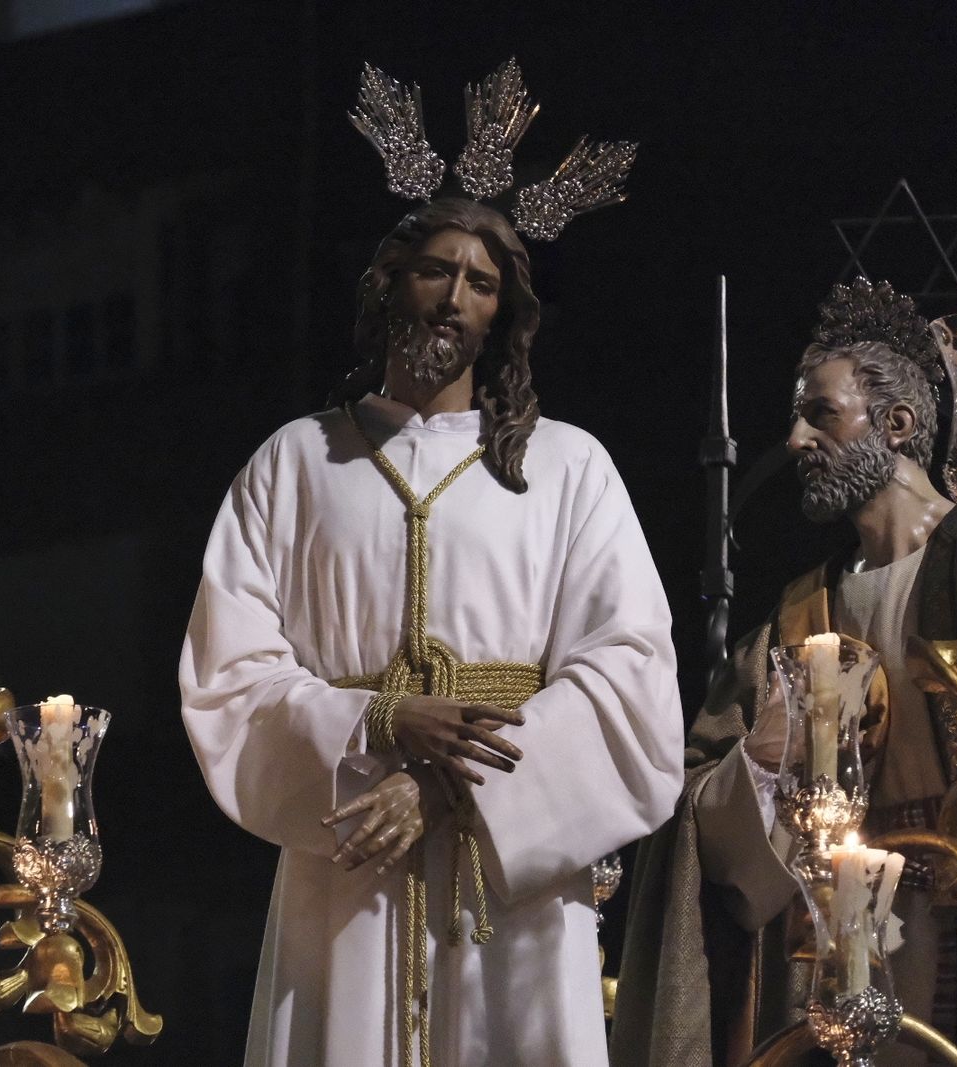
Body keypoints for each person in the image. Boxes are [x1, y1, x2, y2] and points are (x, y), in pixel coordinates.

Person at [180, 196, 684, 1067]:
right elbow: (231, 673)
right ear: (388, 284)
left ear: (503, 314)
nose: (455, 296)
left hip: (512, 877)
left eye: (481, 282)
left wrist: (449, 786)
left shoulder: (567, 468)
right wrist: (375, 719)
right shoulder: (296, 464)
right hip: (348, 850)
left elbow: (626, 669)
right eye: (435, 270)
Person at [610, 280, 957, 1067]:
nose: (797, 438)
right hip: (852, 954)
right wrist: (760, 761)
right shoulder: (797, 618)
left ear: (898, 424)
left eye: (821, 414)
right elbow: (703, 817)